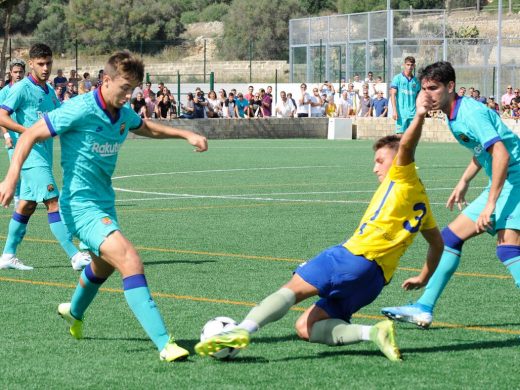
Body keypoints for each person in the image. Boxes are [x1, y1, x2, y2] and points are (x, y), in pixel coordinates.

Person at [195, 91, 443, 362]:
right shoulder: (422, 200)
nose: (375, 168)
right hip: (374, 281)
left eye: (380, 161)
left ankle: (242, 329)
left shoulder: (402, 176)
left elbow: (406, 147)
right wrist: (424, 277)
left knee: (290, 290)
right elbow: (437, 244)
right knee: (305, 327)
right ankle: (372, 332)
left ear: (398, 162)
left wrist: (419, 116)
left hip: (353, 256)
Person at [0, 50, 208, 361]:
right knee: (130, 260)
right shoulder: (79, 109)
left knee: (103, 265)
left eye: (134, 89)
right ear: (106, 81)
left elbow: (144, 126)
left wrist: (185, 134)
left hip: (104, 203)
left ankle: (73, 311)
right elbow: (30, 133)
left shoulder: (121, 112)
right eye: (124, 87)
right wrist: (12, 176)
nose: (129, 95)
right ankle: (165, 344)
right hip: (79, 206)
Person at [381, 61, 520, 329]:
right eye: (424, 89)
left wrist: (490, 204)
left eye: (434, 88)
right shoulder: (454, 113)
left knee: (508, 249)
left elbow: (500, 152)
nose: (427, 94)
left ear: (451, 87)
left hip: (516, 179)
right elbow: (483, 150)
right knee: (449, 239)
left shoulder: (470, 113)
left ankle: (423, 306)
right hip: (508, 179)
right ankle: (423, 308)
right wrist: (464, 181)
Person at [0, 44, 91, 271]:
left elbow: (60, 119)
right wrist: (26, 132)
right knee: (52, 202)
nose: (45, 68)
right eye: (40, 64)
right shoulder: (21, 88)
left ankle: (8, 255)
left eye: (49, 63)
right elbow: (1, 116)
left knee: (27, 205)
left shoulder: (49, 91)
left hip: (44, 154)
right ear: (31, 64)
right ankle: (75, 255)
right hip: (28, 155)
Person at [0, 58, 27, 209]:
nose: (18, 75)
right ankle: (17, 198)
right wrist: (7, 135)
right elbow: (1, 117)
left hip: (28, 136)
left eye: (21, 72)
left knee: (33, 168)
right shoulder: (4, 92)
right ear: (10, 73)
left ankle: (30, 196)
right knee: (15, 169)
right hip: (14, 138)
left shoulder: (28, 88)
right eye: (15, 72)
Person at [390, 56, 420, 134]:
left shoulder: (416, 81)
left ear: (414, 66)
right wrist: (394, 111)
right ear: (404, 65)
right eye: (408, 64)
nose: (410, 67)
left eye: (411, 65)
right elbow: (392, 95)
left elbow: (418, 98)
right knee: (400, 137)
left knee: (411, 139)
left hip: (413, 114)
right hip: (401, 113)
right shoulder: (397, 78)